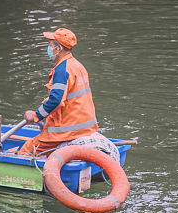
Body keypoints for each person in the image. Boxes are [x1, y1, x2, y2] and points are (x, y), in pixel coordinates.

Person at [18, 28, 118, 160]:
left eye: (50, 45)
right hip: (86, 127)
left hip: (67, 130)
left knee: (26, 151)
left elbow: (56, 101)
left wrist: (35, 115)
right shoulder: (77, 65)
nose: (49, 48)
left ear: (58, 48)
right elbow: (72, 94)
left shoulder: (61, 70)